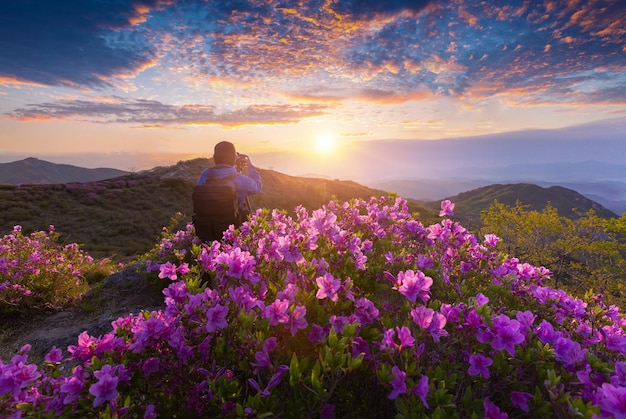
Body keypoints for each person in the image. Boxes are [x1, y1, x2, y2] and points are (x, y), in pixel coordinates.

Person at [193, 141, 262, 239]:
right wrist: (250, 166)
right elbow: (257, 187)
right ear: (234, 159)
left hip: (206, 232)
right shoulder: (239, 179)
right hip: (232, 235)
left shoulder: (204, 177)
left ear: (214, 158)